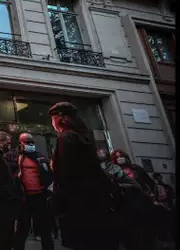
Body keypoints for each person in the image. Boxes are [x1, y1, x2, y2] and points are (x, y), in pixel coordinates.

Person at [48, 102, 119, 250]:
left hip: (78, 205)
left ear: (61, 118)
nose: (52, 123)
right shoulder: (85, 136)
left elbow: (67, 174)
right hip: (96, 201)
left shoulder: (65, 138)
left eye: (53, 118)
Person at [14, 133, 54, 250]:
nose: (30, 145)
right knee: (22, 230)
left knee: (45, 230)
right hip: (24, 199)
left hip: (40, 197)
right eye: (27, 143)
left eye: (32, 142)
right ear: (21, 143)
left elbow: (48, 175)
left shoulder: (40, 157)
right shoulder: (15, 158)